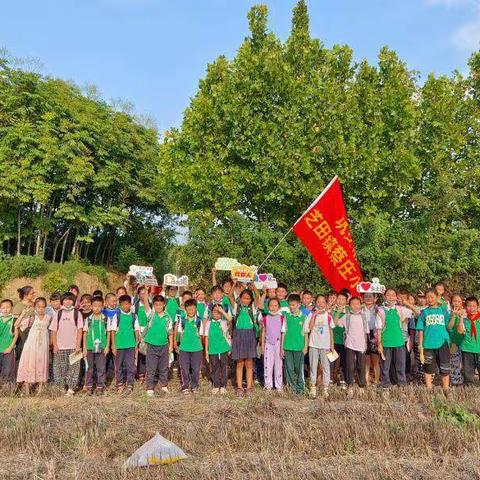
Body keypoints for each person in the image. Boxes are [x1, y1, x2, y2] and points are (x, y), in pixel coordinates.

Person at [416, 288, 451, 392]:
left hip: (443, 343)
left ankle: (446, 389)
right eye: (427, 297)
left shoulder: (443, 311)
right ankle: (429, 389)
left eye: (432, 297)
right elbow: (420, 329)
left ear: (437, 297)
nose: (429, 299)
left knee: (444, 368)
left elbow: (449, 326)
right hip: (428, 344)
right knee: (428, 368)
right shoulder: (424, 313)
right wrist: (420, 344)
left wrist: (454, 317)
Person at [49, 292, 83, 396]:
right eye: (65, 299)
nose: (67, 301)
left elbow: (80, 330)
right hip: (60, 347)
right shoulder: (59, 313)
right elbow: (54, 331)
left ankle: (71, 388)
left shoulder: (77, 313)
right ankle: (61, 388)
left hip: (73, 347)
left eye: (70, 299)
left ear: (73, 301)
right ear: (62, 301)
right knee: (59, 368)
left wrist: (78, 345)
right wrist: (55, 345)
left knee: (74, 368)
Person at [376, 289, 411, 389]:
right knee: (385, 367)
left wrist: (406, 303)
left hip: (399, 342)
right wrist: (379, 344)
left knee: (400, 366)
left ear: (396, 297)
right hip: (386, 342)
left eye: (393, 295)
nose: (391, 297)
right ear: (384, 297)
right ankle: (385, 384)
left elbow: (417, 312)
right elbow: (378, 329)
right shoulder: (380, 311)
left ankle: (402, 384)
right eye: (388, 295)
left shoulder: (400, 309)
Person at [16, 297, 51, 394]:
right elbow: (16, 324)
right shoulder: (32, 317)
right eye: (38, 307)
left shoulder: (48, 317)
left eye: (43, 307)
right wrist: (23, 314)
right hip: (31, 345)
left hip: (43, 345)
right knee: (29, 363)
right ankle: (27, 390)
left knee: (41, 364)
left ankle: (39, 390)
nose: (41, 309)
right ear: (35, 307)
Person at [230, 288, 259, 397]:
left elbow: (257, 296)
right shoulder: (236, 307)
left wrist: (253, 285)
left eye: (248, 298)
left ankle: (249, 387)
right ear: (240, 298)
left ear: (251, 300)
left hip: (250, 335)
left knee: (249, 363)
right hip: (238, 336)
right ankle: (239, 387)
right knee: (240, 363)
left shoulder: (253, 308)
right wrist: (234, 284)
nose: (245, 300)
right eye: (243, 298)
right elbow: (230, 296)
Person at [305, 295, 334, 398]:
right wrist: (314, 316)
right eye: (318, 301)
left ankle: (326, 388)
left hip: (325, 345)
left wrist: (332, 345)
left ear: (326, 303)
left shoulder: (328, 315)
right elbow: (309, 328)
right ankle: (313, 388)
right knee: (313, 366)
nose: (320, 303)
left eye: (322, 302)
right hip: (313, 344)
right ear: (315, 302)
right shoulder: (311, 314)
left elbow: (331, 331)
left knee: (326, 367)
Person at [144, 295, 173, 396]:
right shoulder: (151, 314)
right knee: (151, 368)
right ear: (154, 305)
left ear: (164, 305)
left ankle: (164, 386)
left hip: (164, 346)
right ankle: (150, 387)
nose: (158, 307)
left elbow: (170, 333)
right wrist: (146, 291)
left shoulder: (168, 317)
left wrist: (171, 346)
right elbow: (146, 304)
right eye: (156, 305)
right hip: (151, 346)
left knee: (163, 367)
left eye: (160, 305)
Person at [110, 295, 140, 393]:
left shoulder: (134, 316)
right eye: (123, 304)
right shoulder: (116, 316)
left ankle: (130, 384)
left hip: (130, 345)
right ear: (120, 305)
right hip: (119, 345)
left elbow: (136, 330)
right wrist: (113, 345)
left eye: (127, 304)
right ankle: (120, 384)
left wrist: (137, 342)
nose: (125, 306)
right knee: (118, 366)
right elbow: (113, 331)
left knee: (130, 365)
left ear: (130, 304)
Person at [341, 296, 369, 397]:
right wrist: (339, 311)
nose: (355, 306)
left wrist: (365, 344)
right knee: (350, 366)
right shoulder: (347, 316)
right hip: (349, 344)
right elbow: (336, 323)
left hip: (361, 345)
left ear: (360, 305)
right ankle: (350, 386)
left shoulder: (364, 316)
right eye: (353, 304)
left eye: (357, 304)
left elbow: (366, 332)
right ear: (349, 305)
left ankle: (361, 386)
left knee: (361, 366)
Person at [281, 293, 309, 394]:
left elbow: (306, 333)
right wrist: (282, 348)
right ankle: (291, 389)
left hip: (299, 347)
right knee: (289, 368)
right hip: (288, 347)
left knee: (299, 369)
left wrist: (305, 347)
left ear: (298, 304)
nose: (291, 307)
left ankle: (300, 389)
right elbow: (283, 332)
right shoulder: (286, 316)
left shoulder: (304, 317)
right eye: (290, 305)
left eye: (293, 305)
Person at [83, 296, 110, 395]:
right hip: (90, 347)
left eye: (99, 306)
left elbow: (108, 333)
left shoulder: (106, 319)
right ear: (91, 306)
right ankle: (89, 387)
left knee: (101, 368)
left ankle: (100, 387)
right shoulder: (88, 319)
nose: (97, 308)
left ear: (103, 306)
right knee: (90, 368)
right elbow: (85, 334)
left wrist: (107, 346)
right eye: (95, 306)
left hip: (102, 347)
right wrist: (85, 348)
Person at [176, 298, 203, 394]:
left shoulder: (199, 321)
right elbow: (179, 334)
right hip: (184, 349)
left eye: (193, 309)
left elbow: (201, 335)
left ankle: (195, 385)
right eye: (188, 309)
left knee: (196, 369)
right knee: (184, 368)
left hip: (197, 349)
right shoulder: (182, 320)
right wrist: (177, 345)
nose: (191, 311)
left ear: (196, 309)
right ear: (185, 309)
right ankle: (185, 386)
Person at [204, 303, 231, 394]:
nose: (216, 313)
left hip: (223, 348)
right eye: (214, 311)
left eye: (218, 312)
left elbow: (230, 319)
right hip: (212, 349)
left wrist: (222, 311)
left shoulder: (223, 322)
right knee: (214, 366)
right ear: (211, 312)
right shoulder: (208, 323)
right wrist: (206, 350)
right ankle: (216, 384)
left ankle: (223, 385)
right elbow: (206, 337)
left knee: (224, 366)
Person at [260, 297, 284, 392]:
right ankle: (268, 385)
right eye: (271, 305)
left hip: (278, 343)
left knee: (278, 365)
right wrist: (262, 345)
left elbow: (283, 333)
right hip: (268, 344)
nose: (273, 307)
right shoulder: (265, 318)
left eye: (275, 305)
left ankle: (279, 386)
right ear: (268, 307)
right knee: (268, 365)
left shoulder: (282, 318)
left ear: (278, 307)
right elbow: (263, 332)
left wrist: (282, 347)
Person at [457, 296, 480, 385]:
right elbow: (460, 331)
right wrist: (461, 318)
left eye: (474, 306)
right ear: (465, 307)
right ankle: (469, 387)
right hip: (467, 348)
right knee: (468, 371)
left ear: (477, 307)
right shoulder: (464, 319)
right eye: (469, 306)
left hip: (479, 348)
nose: (472, 308)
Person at [134, 286, 152, 382]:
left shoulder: (151, 305)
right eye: (142, 293)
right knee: (139, 353)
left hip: (148, 332)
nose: (144, 295)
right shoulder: (135, 306)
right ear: (138, 294)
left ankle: (146, 373)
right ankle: (139, 373)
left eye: (145, 293)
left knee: (147, 353)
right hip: (138, 332)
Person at [362, 292, 380, 385]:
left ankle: (376, 381)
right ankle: (367, 381)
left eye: (370, 296)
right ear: (362, 298)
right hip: (363, 334)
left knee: (375, 359)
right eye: (366, 296)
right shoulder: (360, 309)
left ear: (374, 298)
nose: (368, 298)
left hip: (374, 335)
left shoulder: (378, 309)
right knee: (366, 360)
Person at [0, 299, 18, 387]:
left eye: (7, 307)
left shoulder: (14, 320)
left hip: (8, 349)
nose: (5, 309)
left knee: (8, 371)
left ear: (11, 308)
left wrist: (10, 348)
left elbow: (16, 335)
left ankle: (9, 391)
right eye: (3, 307)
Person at [447, 294, 464, 386]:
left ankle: (461, 378)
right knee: (454, 362)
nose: (456, 303)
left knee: (462, 362)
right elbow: (449, 327)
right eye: (454, 301)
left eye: (459, 301)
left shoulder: (465, 313)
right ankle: (455, 381)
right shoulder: (448, 313)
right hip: (453, 342)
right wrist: (453, 316)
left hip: (464, 342)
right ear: (451, 302)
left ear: (462, 303)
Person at [332, 292, 348, 386]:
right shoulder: (332, 311)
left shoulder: (349, 311)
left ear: (346, 301)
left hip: (344, 341)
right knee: (332, 360)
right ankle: (332, 378)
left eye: (343, 299)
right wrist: (338, 312)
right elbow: (333, 324)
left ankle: (342, 379)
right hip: (333, 340)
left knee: (344, 361)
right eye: (339, 299)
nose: (340, 301)